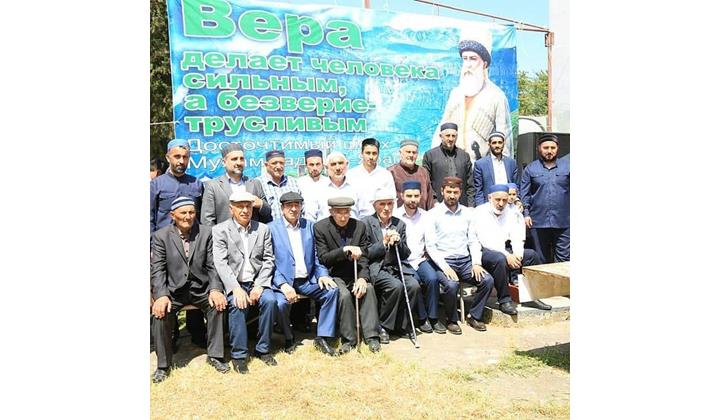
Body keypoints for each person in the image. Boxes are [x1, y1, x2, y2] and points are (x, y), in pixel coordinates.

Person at [150, 197, 228, 383]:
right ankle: (163, 365)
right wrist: (161, 295)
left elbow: (213, 265)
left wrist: (215, 289)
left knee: (218, 306)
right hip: (174, 291)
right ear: (173, 215)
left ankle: (215, 355)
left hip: (201, 288)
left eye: (191, 212)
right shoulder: (161, 236)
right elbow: (158, 269)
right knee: (160, 314)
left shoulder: (206, 232)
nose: (188, 216)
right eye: (183, 213)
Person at [212, 191, 277, 373]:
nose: (245, 210)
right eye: (240, 206)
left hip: (256, 281)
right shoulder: (220, 230)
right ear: (231, 209)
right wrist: (235, 288)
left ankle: (263, 349)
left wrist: (260, 285)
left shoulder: (262, 229)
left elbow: (268, 260)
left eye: (248, 206)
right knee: (237, 304)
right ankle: (239, 355)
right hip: (235, 282)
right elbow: (220, 263)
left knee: (270, 301)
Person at [150, 138, 206, 348]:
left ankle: (197, 334)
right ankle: (169, 338)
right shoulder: (156, 185)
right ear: (168, 157)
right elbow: (149, 217)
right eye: (177, 156)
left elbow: (201, 218)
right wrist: (151, 248)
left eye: (185, 157)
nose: (181, 161)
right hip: (165, 248)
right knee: (166, 291)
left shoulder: (196, 184)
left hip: (192, 246)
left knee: (195, 284)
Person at [268, 192, 338, 356]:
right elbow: (268, 261)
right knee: (280, 304)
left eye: (297, 205)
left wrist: (322, 274)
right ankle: (288, 337)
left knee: (332, 291)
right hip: (283, 282)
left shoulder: (310, 226)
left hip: (306, 280)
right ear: (282, 208)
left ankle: (323, 337)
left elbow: (317, 256)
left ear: (301, 207)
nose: (293, 209)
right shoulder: (271, 228)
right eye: (289, 205)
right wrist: (282, 285)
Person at [313, 197, 383, 353]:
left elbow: (364, 256)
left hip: (355, 272)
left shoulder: (359, 226)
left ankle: (372, 337)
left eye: (347, 212)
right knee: (343, 295)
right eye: (339, 213)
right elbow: (324, 258)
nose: (344, 217)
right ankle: (349, 340)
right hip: (334, 274)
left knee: (368, 289)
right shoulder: (320, 227)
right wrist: (344, 250)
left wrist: (363, 278)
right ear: (331, 212)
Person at [425, 176, 493, 333]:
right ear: (442, 191)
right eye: (449, 192)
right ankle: (451, 320)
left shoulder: (468, 213)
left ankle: (474, 316)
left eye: (455, 192)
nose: (452, 196)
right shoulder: (433, 215)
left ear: (460, 192)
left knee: (487, 280)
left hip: (465, 261)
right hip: (443, 261)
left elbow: (473, 240)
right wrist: (445, 267)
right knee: (451, 285)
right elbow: (430, 246)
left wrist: (476, 263)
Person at [433, 39, 512, 160]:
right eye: (465, 59)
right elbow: (442, 127)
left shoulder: (497, 96)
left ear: (484, 64)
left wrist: (503, 166)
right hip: (453, 163)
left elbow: (505, 137)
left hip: (481, 166)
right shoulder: (455, 94)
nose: (468, 64)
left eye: (473, 59)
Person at [362, 189, 421, 343]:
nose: (386, 208)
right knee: (395, 286)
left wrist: (398, 242)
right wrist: (384, 243)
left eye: (390, 204)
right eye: (382, 204)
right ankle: (383, 326)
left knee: (414, 286)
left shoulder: (399, 224)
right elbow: (365, 253)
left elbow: (405, 254)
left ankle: (401, 325)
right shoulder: (366, 223)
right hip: (376, 267)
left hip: (396, 266)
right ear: (375, 205)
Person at [393, 181, 446, 334]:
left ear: (421, 196)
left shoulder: (426, 216)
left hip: (420, 259)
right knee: (415, 282)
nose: (413, 199)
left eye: (416, 196)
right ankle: (422, 319)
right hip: (402, 261)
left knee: (433, 279)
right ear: (402, 196)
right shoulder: (395, 215)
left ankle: (434, 317)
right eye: (409, 196)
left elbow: (430, 244)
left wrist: (444, 266)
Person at [520, 133, 570, 263]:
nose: (549, 151)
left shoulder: (568, 167)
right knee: (541, 260)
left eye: (553, 148)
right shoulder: (530, 169)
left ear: (557, 149)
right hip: (538, 221)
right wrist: (526, 214)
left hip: (564, 221)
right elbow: (525, 194)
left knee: (564, 260)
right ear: (539, 148)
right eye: (546, 147)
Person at [200, 143, 271, 225]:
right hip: (224, 233)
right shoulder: (213, 185)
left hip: (253, 232)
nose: (239, 162)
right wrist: (218, 233)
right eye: (234, 159)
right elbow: (207, 219)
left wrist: (261, 204)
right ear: (224, 162)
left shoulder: (255, 183)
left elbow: (268, 212)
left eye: (241, 159)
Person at [422, 122, 476, 207]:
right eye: (447, 136)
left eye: (453, 136)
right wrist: (434, 202)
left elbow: (470, 184)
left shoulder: (464, 156)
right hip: (438, 205)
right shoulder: (430, 155)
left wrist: (471, 206)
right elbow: (426, 183)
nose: (451, 139)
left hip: (462, 206)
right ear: (441, 136)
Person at [305, 151, 361, 222]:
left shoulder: (357, 187)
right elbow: (310, 217)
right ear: (326, 167)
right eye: (333, 164)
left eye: (340, 163)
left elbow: (364, 214)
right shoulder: (316, 188)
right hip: (325, 229)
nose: (337, 168)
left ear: (347, 165)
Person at [347, 138, 395, 218]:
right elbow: (349, 203)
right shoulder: (351, 175)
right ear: (361, 154)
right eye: (368, 153)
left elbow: (392, 201)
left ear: (378, 154)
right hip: (356, 220)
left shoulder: (386, 175)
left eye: (374, 153)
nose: (371, 157)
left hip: (380, 221)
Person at [473, 131, 520, 206]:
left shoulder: (511, 163)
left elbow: (517, 185)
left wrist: (517, 201)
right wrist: (481, 208)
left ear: (503, 144)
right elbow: (478, 190)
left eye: (500, 142)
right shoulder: (480, 164)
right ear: (489, 144)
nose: (497, 145)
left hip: (508, 205)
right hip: (489, 205)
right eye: (494, 143)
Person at [387, 139, 436, 210]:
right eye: (408, 152)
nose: (411, 155)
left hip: (422, 215)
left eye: (414, 152)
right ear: (400, 153)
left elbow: (429, 198)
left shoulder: (423, 172)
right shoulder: (391, 172)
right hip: (399, 216)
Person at [257, 150, 301, 222]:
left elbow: (301, 207)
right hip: (268, 228)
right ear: (266, 165)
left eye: (281, 163)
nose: (278, 166)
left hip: (293, 227)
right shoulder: (258, 183)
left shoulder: (293, 182)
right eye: (274, 163)